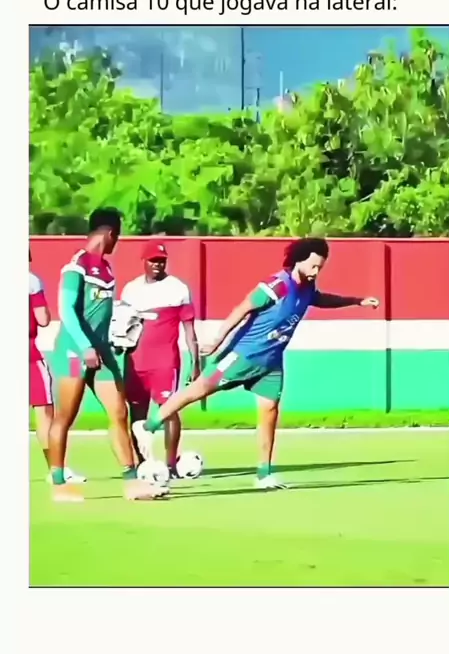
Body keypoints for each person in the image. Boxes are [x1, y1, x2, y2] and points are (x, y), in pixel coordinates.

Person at [133, 237, 380, 490]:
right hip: (242, 355)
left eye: (320, 267)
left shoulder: (308, 287)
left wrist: (356, 301)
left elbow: (320, 299)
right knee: (198, 390)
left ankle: (264, 474)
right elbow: (242, 309)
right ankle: (148, 426)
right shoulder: (277, 285)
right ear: (299, 260)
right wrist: (217, 341)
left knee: (270, 412)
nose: (316, 271)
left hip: (271, 363)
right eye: (313, 265)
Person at [47, 208, 161, 502]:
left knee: (119, 413)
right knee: (65, 417)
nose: (117, 242)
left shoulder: (107, 270)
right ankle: (59, 485)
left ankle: (132, 482)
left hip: (102, 353)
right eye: (117, 236)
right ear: (109, 233)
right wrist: (84, 346)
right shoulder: (76, 266)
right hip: (73, 352)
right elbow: (66, 310)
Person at [120, 240, 200, 477]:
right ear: (144, 261)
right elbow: (122, 326)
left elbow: (189, 330)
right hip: (135, 362)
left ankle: (170, 464)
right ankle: (143, 464)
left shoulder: (178, 289)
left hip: (165, 362)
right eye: (153, 260)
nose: (158, 264)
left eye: (162, 261)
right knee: (136, 413)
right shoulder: (131, 290)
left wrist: (195, 362)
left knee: (169, 410)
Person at [29, 254, 85, 484]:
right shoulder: (30, 280)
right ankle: (55, 470)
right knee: (44, 414)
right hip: (27, 356)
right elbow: (43, 319)